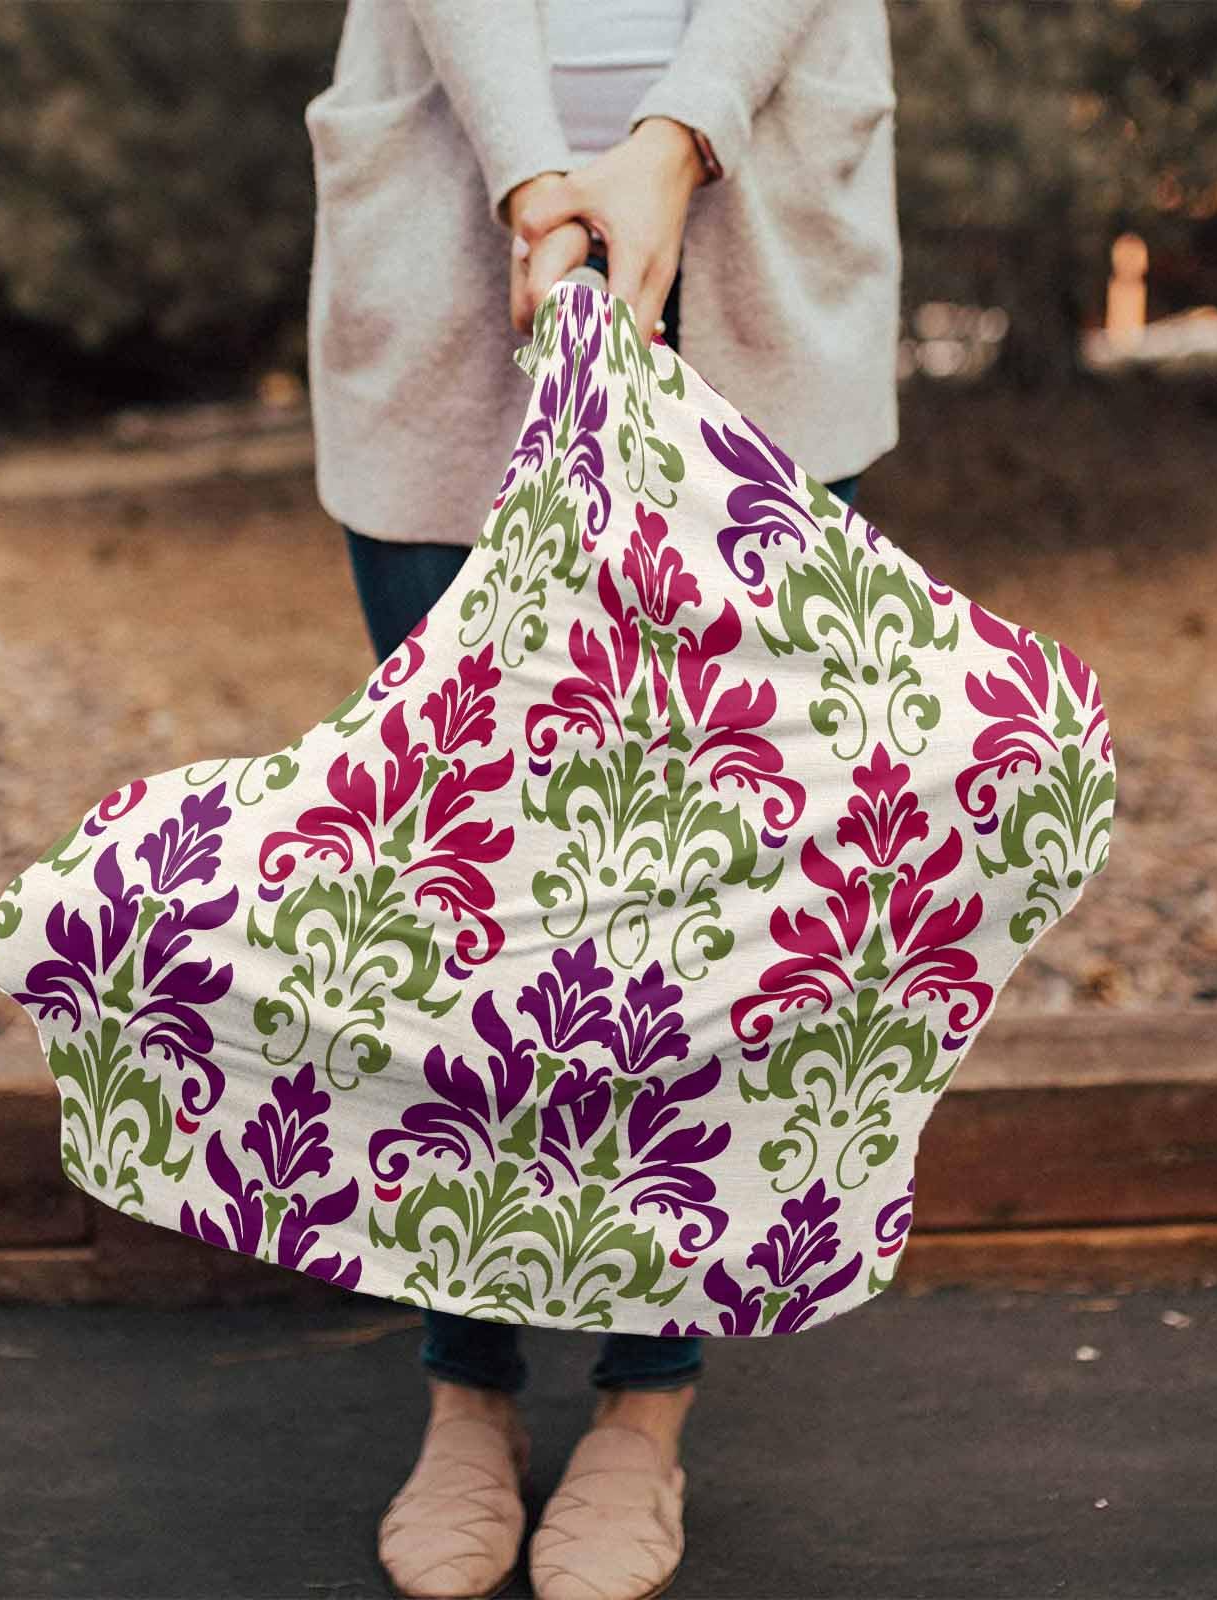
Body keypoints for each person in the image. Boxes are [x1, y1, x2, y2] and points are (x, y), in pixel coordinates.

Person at [303, 4, 899, 1596]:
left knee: (717, 888)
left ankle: (647, 1406)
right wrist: (531, 176)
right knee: (459, 873)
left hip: (756, 224)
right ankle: (467, 1387)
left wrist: (674, 136)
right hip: (454, 225)